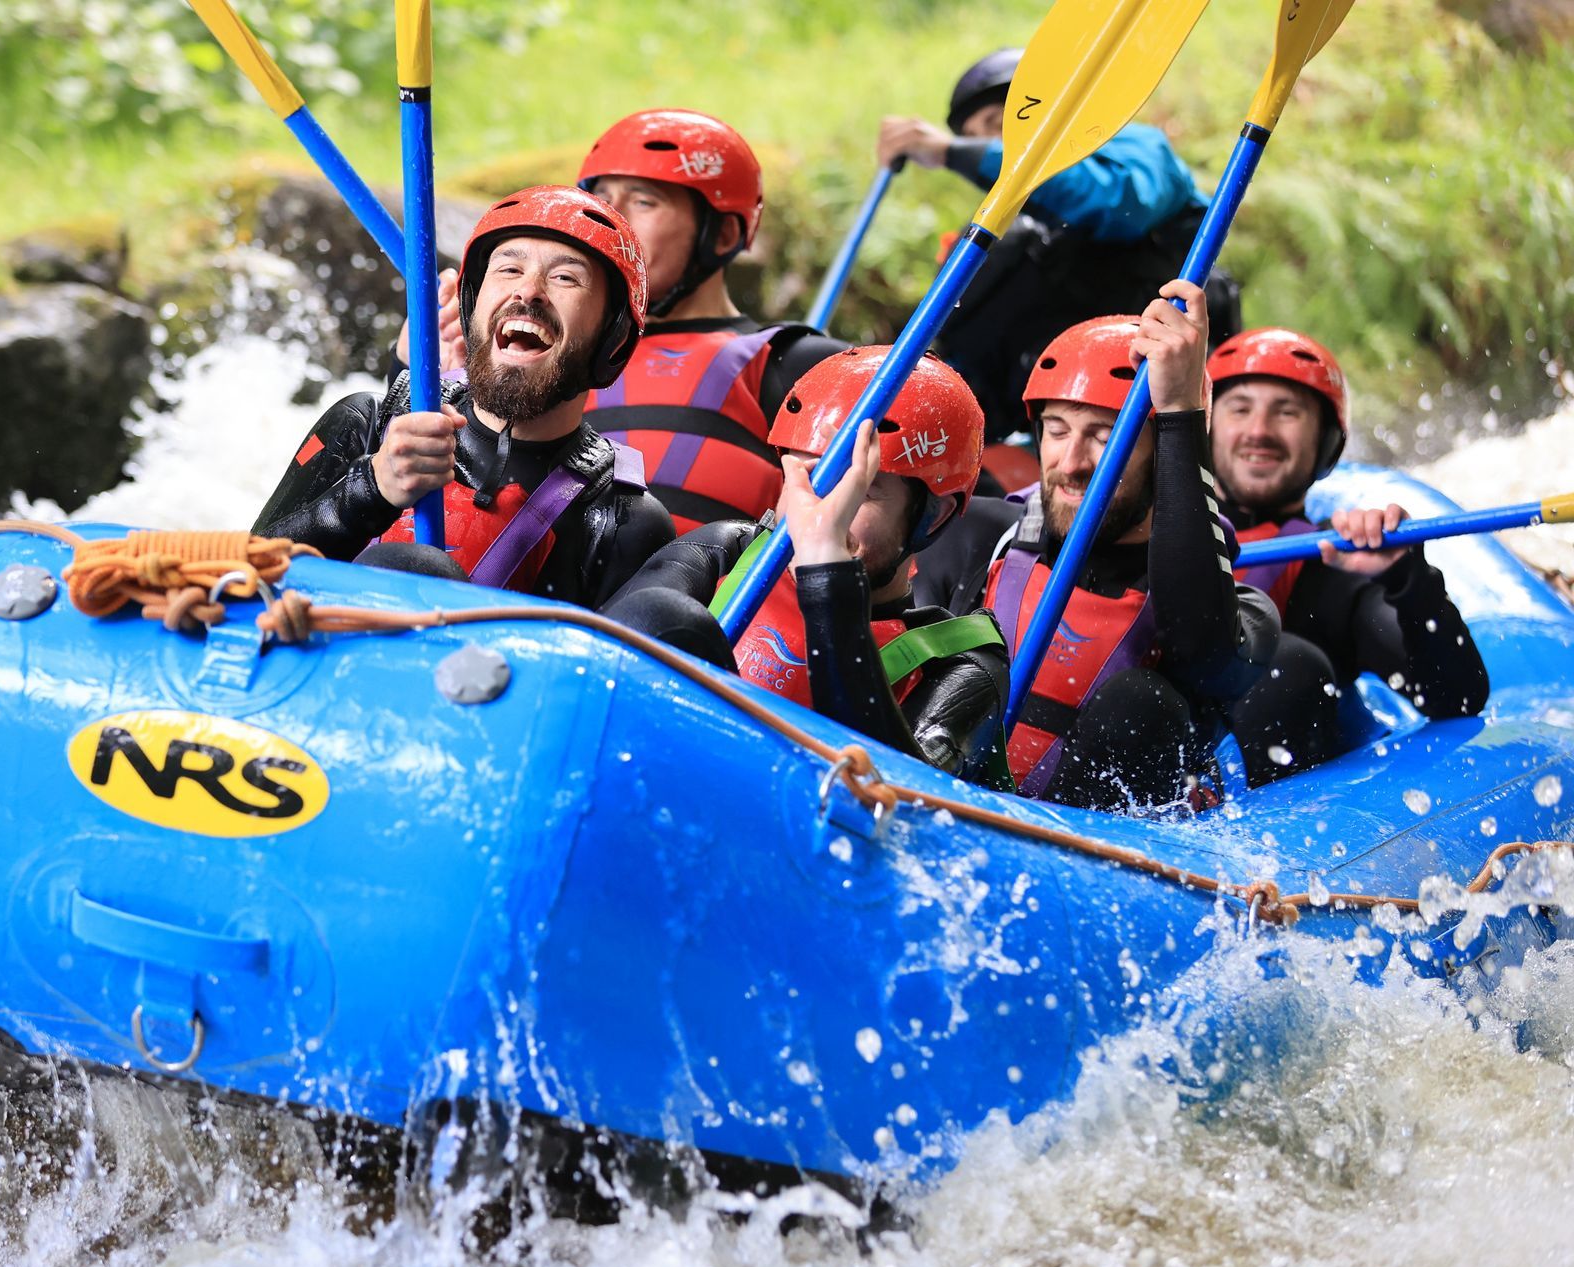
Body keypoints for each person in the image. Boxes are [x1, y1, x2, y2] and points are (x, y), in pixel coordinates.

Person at [917, 282, 1279, 811]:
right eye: (1057, 430)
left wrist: (1177, 410)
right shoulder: (977, 536)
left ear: (1165, 456)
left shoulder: (1239, 614)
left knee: (1140, 703)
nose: (1072, 462)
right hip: (938, 808)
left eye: (1105, 437)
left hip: (1086, 857)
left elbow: (1206, 655)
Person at [402, 110, 846, 534]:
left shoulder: (790, 362)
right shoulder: (528, 345)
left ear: (723, 235)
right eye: (602, 199)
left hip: (700, 604)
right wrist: (420, 369)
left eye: (643, 201)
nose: (612, 219)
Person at [255, 185, 675, 608]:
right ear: (471, 306)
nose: (528, 291)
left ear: (613, 339)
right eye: (509, 270)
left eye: (565, 277)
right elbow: (230, 577)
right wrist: (371, 488)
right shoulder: (367, 426)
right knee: (407, 566)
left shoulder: (621, 518)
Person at [604, 347, 1009, 781]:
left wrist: (829, 573)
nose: (820, 511)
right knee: (663, 615)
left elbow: (899, 801)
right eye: (808, 479)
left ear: (934, 517)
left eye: (861, 491)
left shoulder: (967, 663)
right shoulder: (725, 553)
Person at [876, 48, 1239, 448]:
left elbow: (1117, 206)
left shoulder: (1138, 149)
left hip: (1163, 398)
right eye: (976, 139)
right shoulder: (1010, 237)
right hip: (1053, 421)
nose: (990, 148)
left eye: (998, 125)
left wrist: (953, 152)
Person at [1206, 328, 1488, 782]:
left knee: (1288, 666)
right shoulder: (1156, 542)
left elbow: (1456, 699)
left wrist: (1406, 581)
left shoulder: (1337, 569)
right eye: (1240, 409)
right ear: (1207, 427)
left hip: (1277, 807)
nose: (1258, 431)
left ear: (1326, 441)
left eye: (1287, 412)